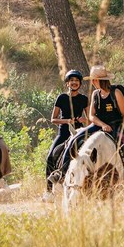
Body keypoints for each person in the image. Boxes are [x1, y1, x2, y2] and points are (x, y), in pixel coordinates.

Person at [52, 65, 124, 189]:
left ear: (100, 80)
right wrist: (102, 124)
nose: (92, 82)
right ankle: (62, 172)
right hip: (98, 124)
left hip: (116, 126)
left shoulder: (116, 93)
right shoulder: (95, 94)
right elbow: (92, 116)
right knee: (74, 140)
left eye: (94, 80)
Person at [44, 69, 89, 198]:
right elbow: (53, 119)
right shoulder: (62, 98)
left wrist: (83, 120)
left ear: (80, 83)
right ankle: (48, 190)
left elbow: (90, 118)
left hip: (79, 133)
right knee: (50, 157)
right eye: (71, 81)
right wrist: (67, 121)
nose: (74, 83)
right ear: (67, 83)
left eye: (76, 81)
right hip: (63, 132)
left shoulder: (84, 99)